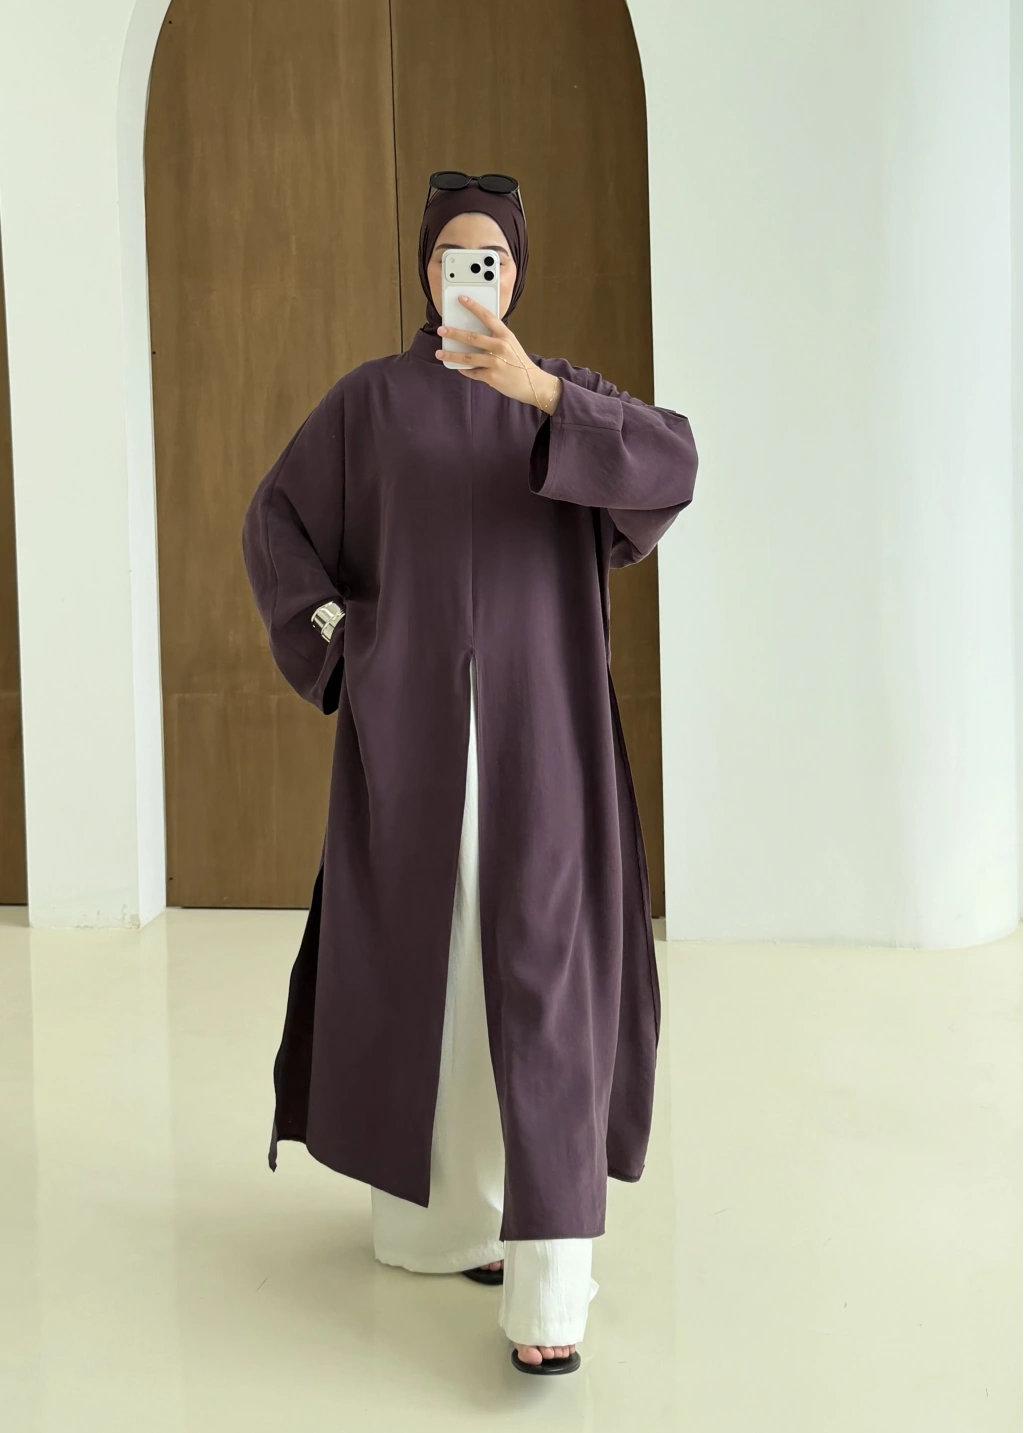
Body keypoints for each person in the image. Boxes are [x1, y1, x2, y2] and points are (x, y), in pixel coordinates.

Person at [241, 170, 698, 1375]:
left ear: (517, 275)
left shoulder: (564, 400)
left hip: (544, 746)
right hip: (414, 748)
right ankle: (447, 1222)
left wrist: (541, 392)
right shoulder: (370, 402)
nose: (471, 275)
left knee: (545, 975)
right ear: (425, 269)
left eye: (491, 258)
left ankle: (550, 1281)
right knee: (429, 969)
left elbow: (673, 465)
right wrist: (345, 642)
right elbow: (277, 522)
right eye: (453, 255)